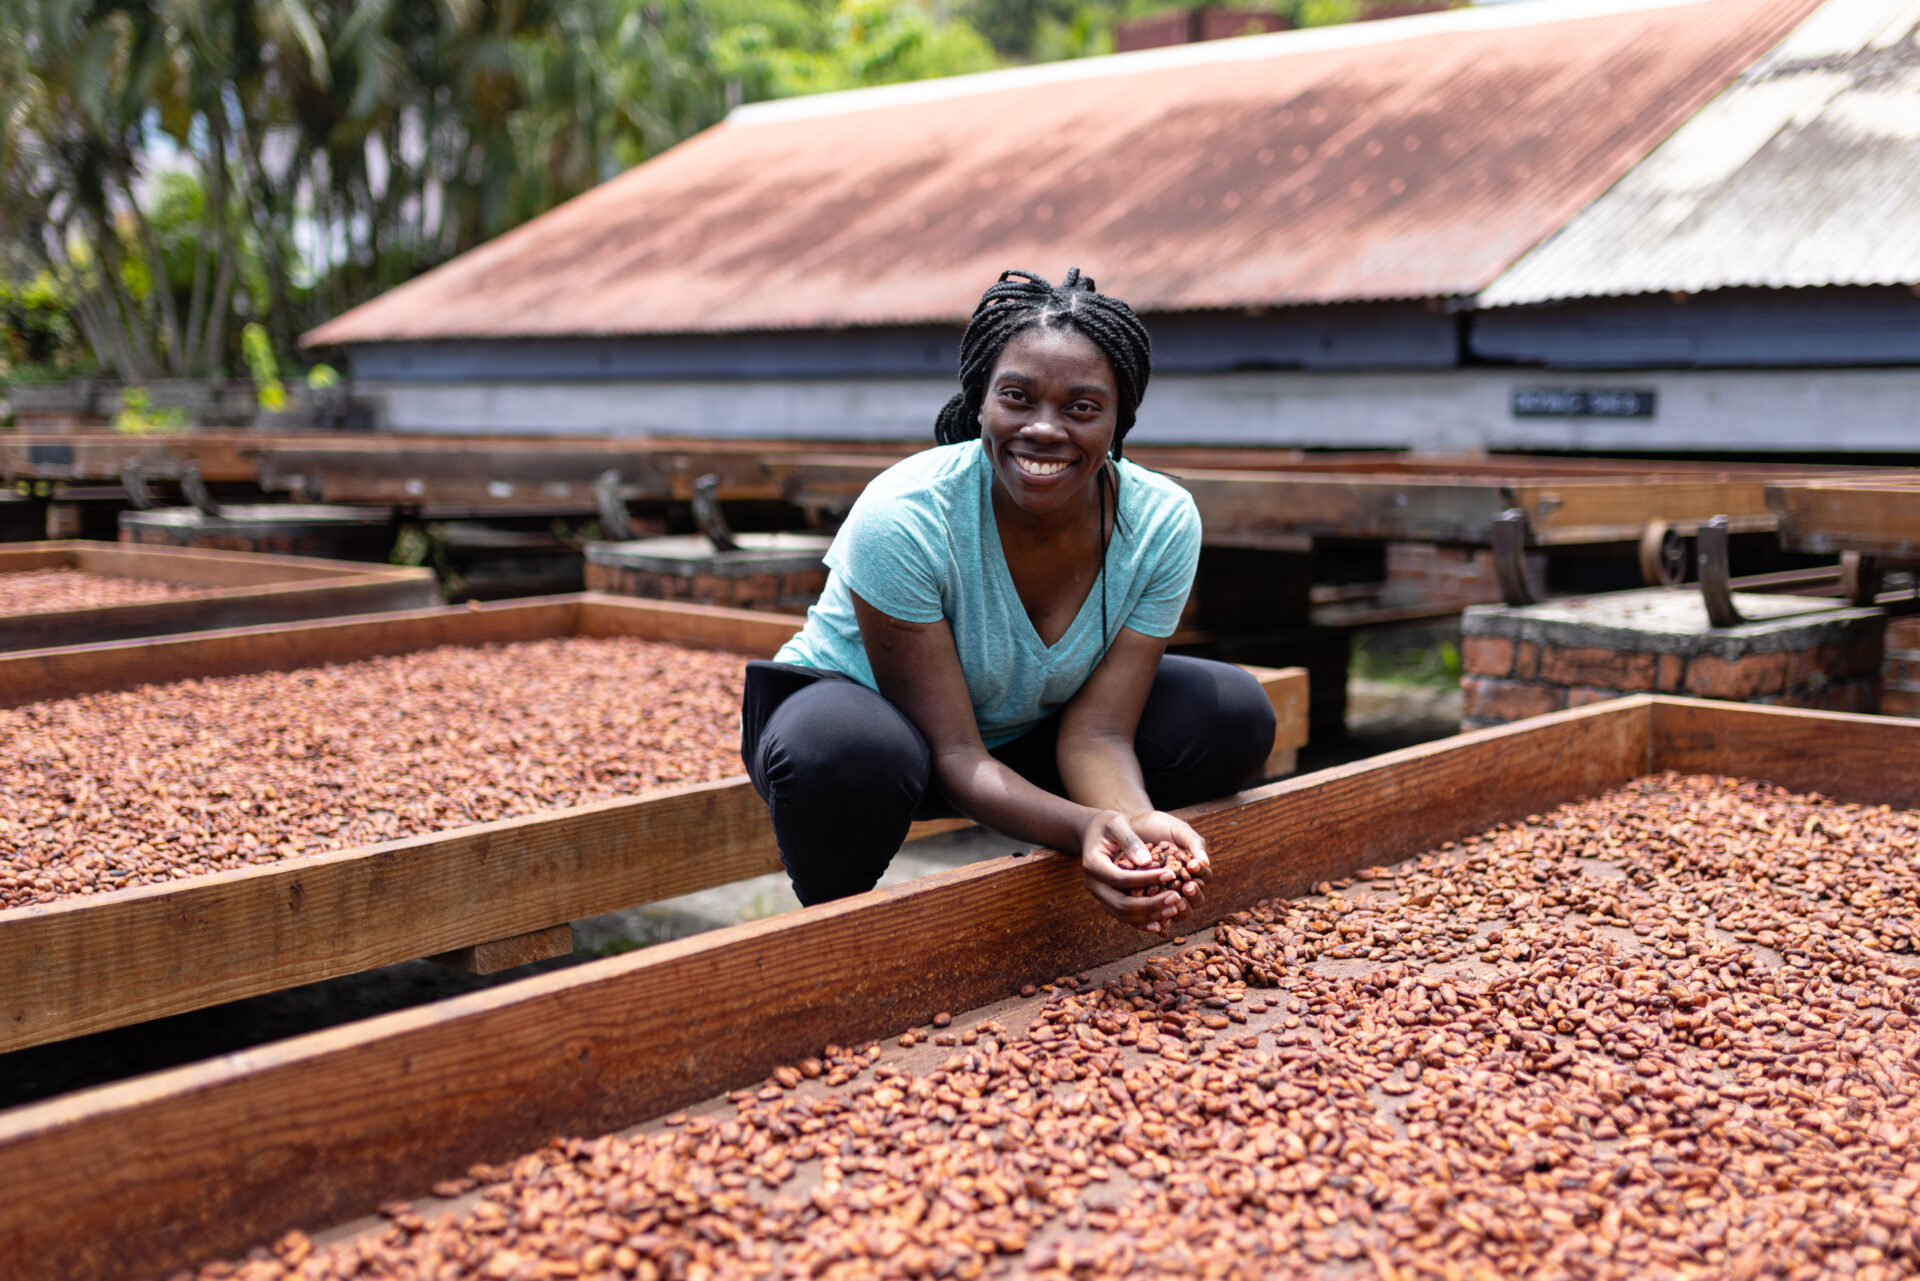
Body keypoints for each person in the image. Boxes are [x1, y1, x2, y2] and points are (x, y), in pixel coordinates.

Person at [740, 268, 1276, 931]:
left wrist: (1131, 827)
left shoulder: (1160, 521)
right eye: (1017, 397)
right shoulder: (906, 514)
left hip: (1023, 726)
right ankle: (837, 939)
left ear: (1119, 419)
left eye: (1082, 407)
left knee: (1233, 713)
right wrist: (1082, 825)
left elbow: (1100, 730)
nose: (1044, 429)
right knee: (846, 751)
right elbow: (957, 754)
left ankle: (1065, 882)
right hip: (873, 729)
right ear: (980, 401)